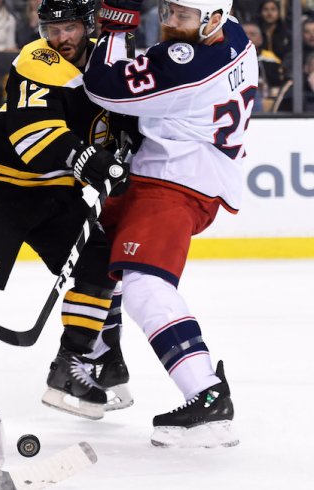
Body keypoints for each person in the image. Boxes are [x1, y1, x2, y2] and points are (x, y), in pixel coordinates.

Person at [0, 0, 134, 421]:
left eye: (69, 28)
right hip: (3, 188)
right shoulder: (36, 59)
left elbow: (127, 116)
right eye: (53, 28)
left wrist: (127, 144)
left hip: (57, 194)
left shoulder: (110, 61)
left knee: (100, 264)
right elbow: (33, 137)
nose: (61, 38)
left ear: (88, 26)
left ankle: (72, 364)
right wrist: (93, 159)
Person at [82, 0, 255, 447]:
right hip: (173, 171)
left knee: (143, 284)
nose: (170, 23)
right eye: (168, 11)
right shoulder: (235, 34)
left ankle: (207, 394)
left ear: (212, 18)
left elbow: (102, 86)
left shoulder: (186, 61)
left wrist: (115, 32)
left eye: (183, 17)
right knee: (94, 250)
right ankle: (103, 358)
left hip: (176, 182)